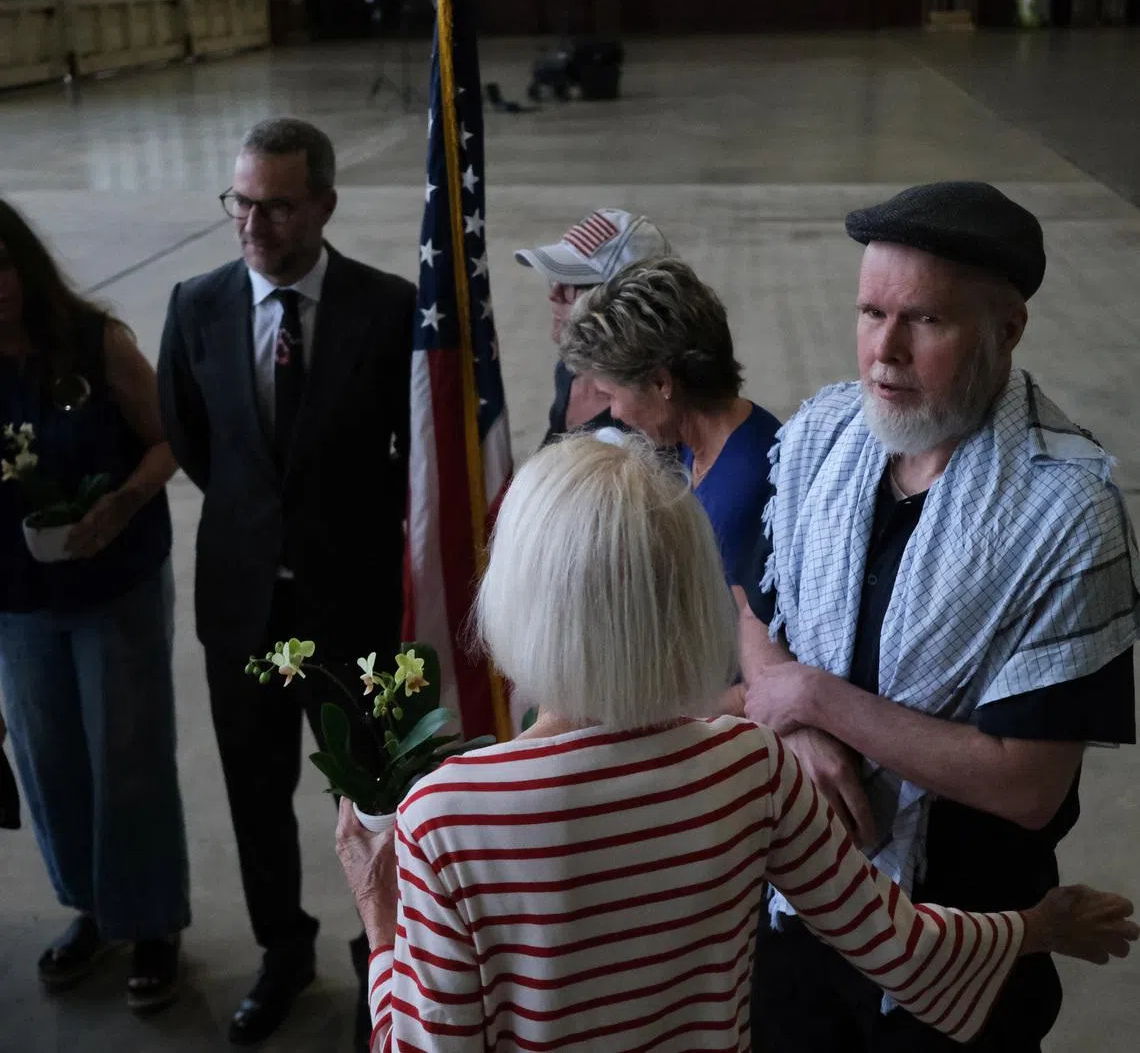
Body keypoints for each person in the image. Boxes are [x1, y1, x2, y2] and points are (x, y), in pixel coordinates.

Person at [333, 433, 1137, 1052]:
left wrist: (379, 916)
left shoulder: (448, 813)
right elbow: (901, 946)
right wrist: (1042, 925)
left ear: (514, 595)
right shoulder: (749, 764)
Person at [737, 181, 1139, 1052]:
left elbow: (1027, 788)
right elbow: (751, 612)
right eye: (871, 312)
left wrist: (813, 697)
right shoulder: (825, 437)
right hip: (796, 911)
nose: (883, 351)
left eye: (925, 322)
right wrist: (795, 724)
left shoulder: (1068, 514)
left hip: (962, 953)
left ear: (1007, 330)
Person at [157, 118, 416, 1047]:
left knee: (376, 797)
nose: (251, 223)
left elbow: (413, 459)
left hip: (354, 611)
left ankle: (382, 955)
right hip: (244, 612)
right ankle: (282, 953)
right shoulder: (196, 305)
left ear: (324, 206)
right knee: (256, 793)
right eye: (240, 201)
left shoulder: (388, 309)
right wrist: (258, 526)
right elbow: (193, 440)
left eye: (275, 204)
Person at [0, 199, 188, 1011]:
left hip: (115, 587)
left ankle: (149, 923)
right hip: (19, 599)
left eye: (0, 267)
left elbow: (171, 437)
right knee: (50, 764)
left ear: (25, 265)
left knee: (127, 757)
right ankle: (92, 908)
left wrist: (123, 502)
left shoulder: (95, 341)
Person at [559, 255, 780, 587]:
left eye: (612, 395)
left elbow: (731, 633)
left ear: (661, 383)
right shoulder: (712, 442)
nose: (615, 414)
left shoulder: (739, 498)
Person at [514, 207, 672, 446]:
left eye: (571, 285)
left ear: (624, 304)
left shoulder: (648, 415)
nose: (554, 295)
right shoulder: (571, 368)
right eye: (555, 281)